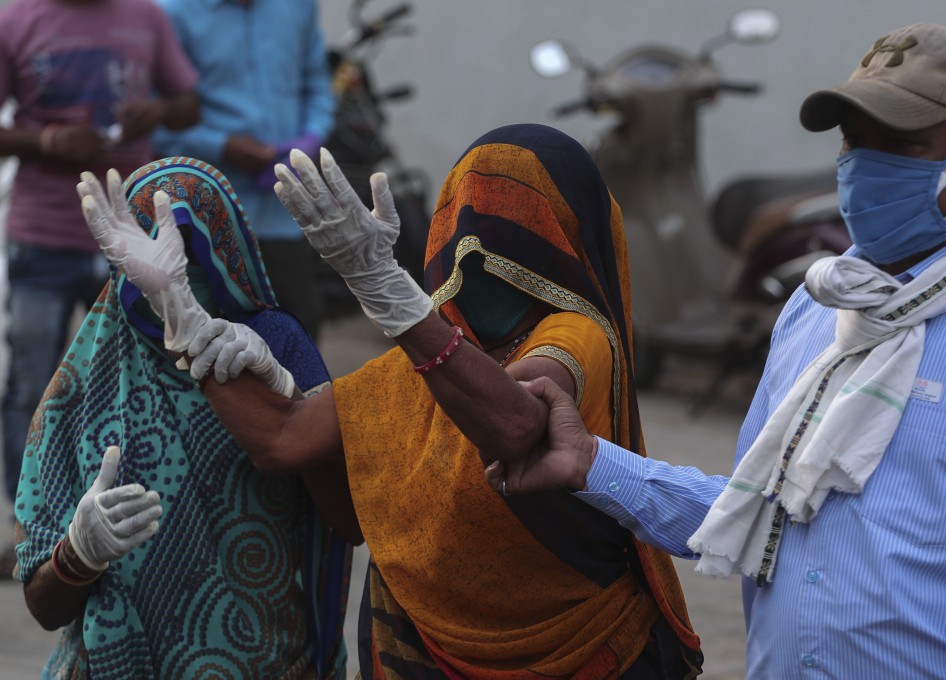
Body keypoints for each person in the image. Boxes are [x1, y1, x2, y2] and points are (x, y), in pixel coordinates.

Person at [487, 23, 946, 679]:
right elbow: (755, 509)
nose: (866, 164)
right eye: (855, 140)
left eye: (902, 145)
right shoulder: (816, 311)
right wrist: (591, 463)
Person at [81, 124, 706, 677]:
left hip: (585, 647)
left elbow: (519, 427)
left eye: (509, 230)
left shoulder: (578, 334)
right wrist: (180, 315)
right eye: (468, 221)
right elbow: (285, 439)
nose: (479, 249)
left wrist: (384, 288)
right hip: (422, 650)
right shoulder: (433, 353)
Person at [15, 157, 350, 678]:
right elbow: (44, 605)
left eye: (197, 256)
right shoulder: (84, 383)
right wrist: (78, 552)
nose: (178, 283)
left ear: (231, 256)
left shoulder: (274, 346)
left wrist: (290, 401)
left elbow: (349, 518)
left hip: (262, 659)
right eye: (157, 263)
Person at [0, 0, 200, 573]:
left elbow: (188, 105)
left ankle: (121, 520)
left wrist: (156, 111)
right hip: (42, 236)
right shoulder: (15, 20)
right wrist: (45, 143)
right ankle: (32, 531)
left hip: (129, 239)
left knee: (130, 383)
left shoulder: (147, 16)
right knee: (33, 384)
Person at [151, 0, 336, 340]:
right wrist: (222, 145)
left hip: (287, 214)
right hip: (206, 216)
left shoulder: (298, 6)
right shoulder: (170, 13)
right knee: (212, 346)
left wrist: (309, 138)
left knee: (300, 334)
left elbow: (317, 84)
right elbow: (157, 121)